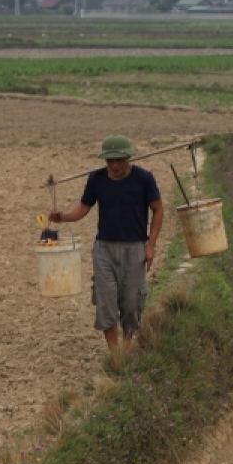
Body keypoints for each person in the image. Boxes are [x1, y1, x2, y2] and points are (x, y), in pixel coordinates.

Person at [50, 134, 163, 351]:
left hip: (134, 248)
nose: (114, 165)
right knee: (106, 301)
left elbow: (158, 209)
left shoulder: (144, 179)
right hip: (104, 250)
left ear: (128, 158)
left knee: (131, 301)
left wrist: (151, 245)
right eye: (109, 161)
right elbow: (83, 208)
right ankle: (114, 352)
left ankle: (127, 344)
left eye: (118, 160)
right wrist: (62, 216)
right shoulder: (96, 179)